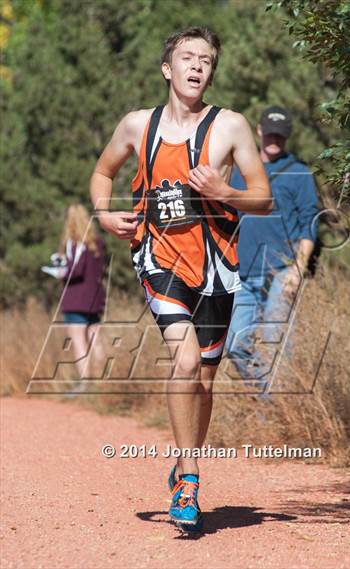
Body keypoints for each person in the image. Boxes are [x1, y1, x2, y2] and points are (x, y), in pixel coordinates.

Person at [89, 26, 271, 531]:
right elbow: (103, 172)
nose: (196, 66)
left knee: (204, 381)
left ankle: (182, 463)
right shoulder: (136, 126)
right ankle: (189, 478)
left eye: (206, 60)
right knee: (185, 360)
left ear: (211, 72)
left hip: (216, 266)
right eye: (187, 57)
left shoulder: (230, 126)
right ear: (168, 69)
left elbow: (264, 197)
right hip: (158, 257)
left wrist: (223, 191)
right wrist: (104, 213)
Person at [225, 106, 318, 389]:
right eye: (270, 133)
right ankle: (270, 398)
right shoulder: (240, 171)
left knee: (277, 345)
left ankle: (275, 414)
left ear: (287, 136)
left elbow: (309, 224)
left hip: (282, 271)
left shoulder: (300, 172)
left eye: (280, 135)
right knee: (234, 344)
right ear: (259, 131)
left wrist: (298, 269)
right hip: (244, 273)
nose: (274, 139)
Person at [54, 204, 106, 382]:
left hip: (75, 299)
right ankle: (102, 382)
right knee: (96, 340)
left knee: (78, 342)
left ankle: (86, 383)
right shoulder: (98, 243)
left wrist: (61, 271)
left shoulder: (74, 243)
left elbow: (76, 270)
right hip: (95, 298)